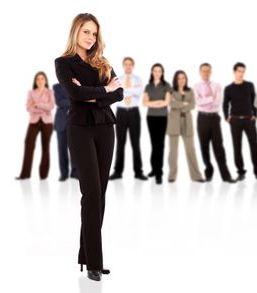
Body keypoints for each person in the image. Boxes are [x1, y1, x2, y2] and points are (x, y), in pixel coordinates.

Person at [55, 13, 123, 281]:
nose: (90, 37)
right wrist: (103, 91)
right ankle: (95, 261)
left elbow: (119, 93)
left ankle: (87, 256)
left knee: (101, 194)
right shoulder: (63, 63)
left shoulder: (102, 62)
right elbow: (74, 95)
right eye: (86, 32)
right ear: (76, 32)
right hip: (80, 129)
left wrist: (95, 93)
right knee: (91, 193)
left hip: (106, 128)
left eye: (94, 33)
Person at [223, 62, 257, 181]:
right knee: (237, 147)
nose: (241, 74)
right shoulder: (228, 88)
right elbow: (225, 104)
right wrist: (227, 117)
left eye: (243, 71)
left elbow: (255, 101)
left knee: (255, 146)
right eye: (239, 71)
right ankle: (240, 172)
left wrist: (255, 115)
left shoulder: (249, 85)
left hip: (249, 120)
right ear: (234, 72)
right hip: (235, 121)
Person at [193, 63, 236, 183]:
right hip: (202, 118)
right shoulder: (195, 86)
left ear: (211, 72)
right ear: (200, 72)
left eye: (208, 71)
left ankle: (226, 175)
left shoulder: (217, 85)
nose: (206, 73)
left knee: (219, 147)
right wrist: (210, 98)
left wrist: (205, 100)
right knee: (204, 147)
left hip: (214, 118)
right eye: (203, 71)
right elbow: (198, 102)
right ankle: (209, 171)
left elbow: (218, 101)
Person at [109, 57, 147, 181]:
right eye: (126, 64)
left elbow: (138, 92)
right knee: (120, 143)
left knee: (136, 143)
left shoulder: (138, 79)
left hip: (134, 113)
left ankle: (138, 172)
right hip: (121, 113)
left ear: (133, 65)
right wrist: (130, 91)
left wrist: (123, 91)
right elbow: (116, 94)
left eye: (130, 64)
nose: (128, 66)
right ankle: (117, 172)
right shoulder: (117, 79)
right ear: (123, 65)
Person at [166, 70, 205, 183]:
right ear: (176, 80)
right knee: (173, 151)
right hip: (174, 123)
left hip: (187, 123)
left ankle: (196, 176)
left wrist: (178, 104)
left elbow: (192, 105)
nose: (181, 80)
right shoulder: (171, 91)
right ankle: (172, 175)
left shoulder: (190, 91)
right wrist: (183, 104)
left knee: (191, 150)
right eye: (179, 78)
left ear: (186, 79)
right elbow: (171, 104)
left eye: (183, 78)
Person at [16, 71, 54, 180]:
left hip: (47, 122)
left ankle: (43, 174)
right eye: (38, 79)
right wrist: (42, 107)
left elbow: (51, 106)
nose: (40, 81)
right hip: (34, 122)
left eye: (42, 79)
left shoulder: (50, 92)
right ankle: (25, 174)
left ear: (45, 80)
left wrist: (37, 105)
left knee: (45, 146)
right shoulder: (31, 92)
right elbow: (28, 107)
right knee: (28, 143)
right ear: (35, 81)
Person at [142, 63, 172, 184]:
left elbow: (166, 102)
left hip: (162, 117)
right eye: (155, 71)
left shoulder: (166, 85)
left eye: (159, 71)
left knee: (160, 144)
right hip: (151, 118)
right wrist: (157, 102)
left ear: (162, 73)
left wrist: (152, 102)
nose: (157, 73)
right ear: (152, 72)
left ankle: (159, 172)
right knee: (154, 144)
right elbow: (144, 103)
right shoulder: (148, 86)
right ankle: (154, 169)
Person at [53, 83, 78, 181]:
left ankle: (75, 172)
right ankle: (64, 173)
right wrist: (74, 100)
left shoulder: (76, 85)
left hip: (75, 122)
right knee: (62, 149)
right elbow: (60, 102)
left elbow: (80, 100)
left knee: (75, 149)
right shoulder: (56, 87)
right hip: (61, 122)